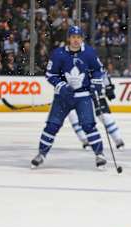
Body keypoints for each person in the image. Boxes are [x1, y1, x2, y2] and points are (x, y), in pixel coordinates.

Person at [31, 26, 106, 169]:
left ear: (82, 38)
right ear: (68, 38)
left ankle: (99, 154)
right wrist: (61, 87)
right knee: (52, 125)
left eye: (78, 37)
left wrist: (96, 83)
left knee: (88, 125)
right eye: (73, 37)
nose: (76, 40)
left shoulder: (89, 53)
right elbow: (50, 74)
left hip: (83, 96)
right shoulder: (58, 54)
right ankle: (41, 154)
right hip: (62, 98)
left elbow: (98, 70)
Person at [68, 70, 125, 150]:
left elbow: (103, 73)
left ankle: (118, 140)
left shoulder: (93, 61)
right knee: (73, 115)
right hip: (79, 95)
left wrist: (109, 87)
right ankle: (85, 140)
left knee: (105, 117)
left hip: (96, 94)